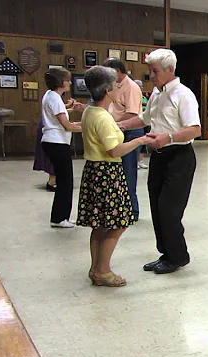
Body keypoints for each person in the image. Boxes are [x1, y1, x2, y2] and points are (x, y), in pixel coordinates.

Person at [117, 49, 201, 275]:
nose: (151, 76)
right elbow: (144, 118)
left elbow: (195, 129)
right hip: (159, 156)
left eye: (155, 71)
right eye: (150, 71)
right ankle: (165, 252)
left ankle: (178, 257)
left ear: (170, 69)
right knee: (155, 205)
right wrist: (121, 125)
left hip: (179, 157)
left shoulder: (184, 95)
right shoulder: (156, 94)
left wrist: (168, 137)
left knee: (168, 210)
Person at [77, 66, 148, 287]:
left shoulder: (89, 111)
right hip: (107, 173)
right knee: (118, 223)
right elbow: (114, 150)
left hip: (94, 171)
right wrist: (140, 141)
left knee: (100, 224)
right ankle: (103, 269)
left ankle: (96, 268)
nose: (119, 88)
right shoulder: (103, 117)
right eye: (116, 85)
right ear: (108, 89)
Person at [102, 58, 144, 219]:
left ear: (117, 71)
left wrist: (111, 122)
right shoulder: (115, 86)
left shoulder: (131, 87)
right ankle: (120, 206)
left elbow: (132, 114)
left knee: (128, 172)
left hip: (130, 131)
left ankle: (132, 210)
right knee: (118, 172)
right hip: (118, 129)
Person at [41, 67, 83, 228]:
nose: (70, 83)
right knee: (65, 181)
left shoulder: (51, 96)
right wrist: (89, 127)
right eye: (67, 80)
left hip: (53, 141)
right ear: (61, 82)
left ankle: (61, 216)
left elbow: (58, 114)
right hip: (56, 142)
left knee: (64, 180)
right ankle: (59, 218)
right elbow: (67, 126)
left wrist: (71, 108)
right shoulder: (55, 98)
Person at [134, 79, 150, 170]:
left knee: (144, 141)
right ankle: (135, 161)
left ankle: (141, 161)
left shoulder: (144, 96)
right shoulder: (133, 95)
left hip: (145, 121)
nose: (141, 88)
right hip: (137, 120)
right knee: (136, 141)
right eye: (139, 86)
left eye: (142, 86)